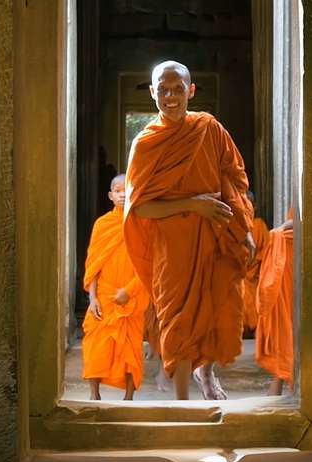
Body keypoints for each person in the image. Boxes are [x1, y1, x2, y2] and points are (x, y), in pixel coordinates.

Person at [124, 60, 256, 400]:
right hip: (173, 245)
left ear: (191, 91)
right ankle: (182, 402)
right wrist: (192, 204)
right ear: (152, 92)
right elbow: (140, 207)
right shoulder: (145, 144)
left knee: (216, 307)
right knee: (176, 318)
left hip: (215, 234)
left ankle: (206, 374)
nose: (171, 97)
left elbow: (234, 180)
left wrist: (243, 229)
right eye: (163, 90)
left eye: (178, 89)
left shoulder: (208, 128)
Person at [82, 174, 150, 400]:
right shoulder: (102, 224)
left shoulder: (142, 224)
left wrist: (128, 291)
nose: (122, 194)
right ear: (111, 196)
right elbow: (93, 264)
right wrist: (92, 298)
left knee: (130, 347)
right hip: (104, 295)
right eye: (118, 191)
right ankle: (94, 394)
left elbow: (148, 264)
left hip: (131, 295)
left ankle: (129, 397)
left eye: (127, 190)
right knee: (95, 344)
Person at [255, 211, 294, 396]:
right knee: (286, 324)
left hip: (294, 259)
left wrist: (279, 231)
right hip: (290, 260)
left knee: (288, 325)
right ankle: (280, 379)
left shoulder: (262, 227)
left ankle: (281, 380)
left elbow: (302, 219)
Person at [241, 190, 270, 332]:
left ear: (255, 207)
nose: (246, 208)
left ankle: (253, 327)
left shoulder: (259, 225)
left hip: (254, 276)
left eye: (249, 205)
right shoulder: (233, 224)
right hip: (238, 274)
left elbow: (266, 253)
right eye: (242, 204)